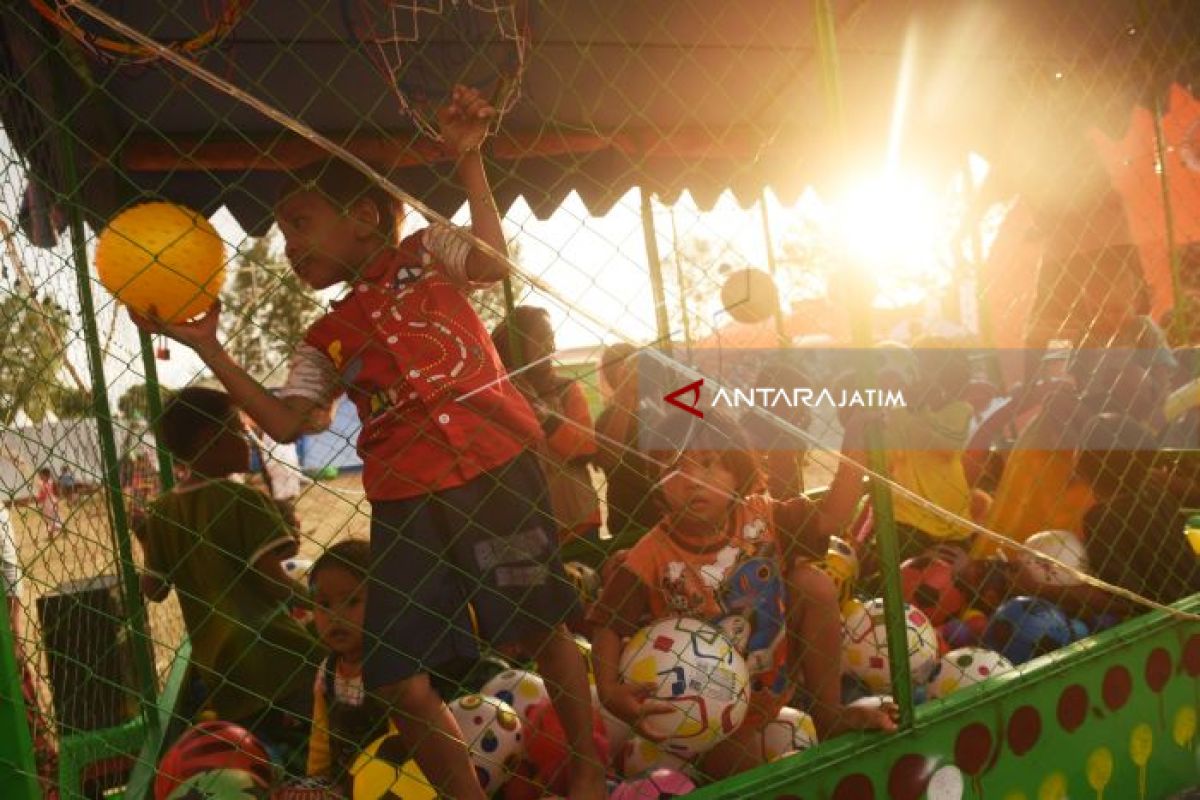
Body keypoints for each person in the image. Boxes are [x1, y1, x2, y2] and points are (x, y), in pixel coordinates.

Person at [133, 86, 604, 800]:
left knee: (540, 628)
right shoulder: (325, 335)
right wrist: (210, 347)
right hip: (407, 501)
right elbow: (289, 420)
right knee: (394, 677)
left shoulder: (428, 253)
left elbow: (491, 263)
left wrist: (468, 161)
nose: (288, 244)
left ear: (361, 217)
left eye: (299, 222)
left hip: (496, 473)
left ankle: (591, 771)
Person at [588, 410, 896, 781]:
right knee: (748, 774)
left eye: (709, 464)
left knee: (812, 584)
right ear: (655, 481)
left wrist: (855, 446)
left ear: (737, 474)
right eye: (674, 467)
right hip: (709, 709)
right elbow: (606, 622)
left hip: (773, 679)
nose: (692, 481)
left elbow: (831, 518)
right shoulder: (648, 555)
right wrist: (607, 689)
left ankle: (829, 715)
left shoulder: (762, 516)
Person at [137, 387, 318, 769]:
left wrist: (145, 539)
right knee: (318, 734)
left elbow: (153, 590)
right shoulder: (243, 500)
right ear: (209, 440)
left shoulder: (164, 512)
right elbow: (272, 578)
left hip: (222, 670)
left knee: (259, 754)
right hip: (276, 653)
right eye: (238, 430)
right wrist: (318, 604)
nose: (247, 441)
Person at [492, 306, 603, 551]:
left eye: (551, 337)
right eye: (541, 338)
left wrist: (544, 416)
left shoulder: (565, 389)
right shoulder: (497, 393)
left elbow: (585, 448)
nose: (550, 346)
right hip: (526, 528)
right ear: (516, 344)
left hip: (578, 522)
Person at [1072, 413, 1200, 608]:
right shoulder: (1154, 489)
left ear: (1083, 467)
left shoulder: (1101, 519)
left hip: (1166, 612)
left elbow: (1125, 597)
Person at [306, 539, 387, 793]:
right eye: (324, 604)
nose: (336, 616)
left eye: (351, 601)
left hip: (392, 783)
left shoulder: (392, 667)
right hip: (345, 784)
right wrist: (316, 782)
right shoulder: (327, 673)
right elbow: (321, 740)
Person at [594, 343, 663, 549]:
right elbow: (608, 459)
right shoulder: (608, 418)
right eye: (627, 370)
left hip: (662, 513)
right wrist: (625, 396)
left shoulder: (654, 411)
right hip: (629, 517)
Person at [34, 467, 62, 538]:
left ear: (46, 476)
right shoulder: (50, 482)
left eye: (41, 476)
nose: (40, 477)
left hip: (48, 503)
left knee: (50, 519)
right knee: (52, 519)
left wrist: (37, 498)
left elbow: (44, 494)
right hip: (52, 501)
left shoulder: (46, 484)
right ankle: (52, 535)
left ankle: (55, 532)